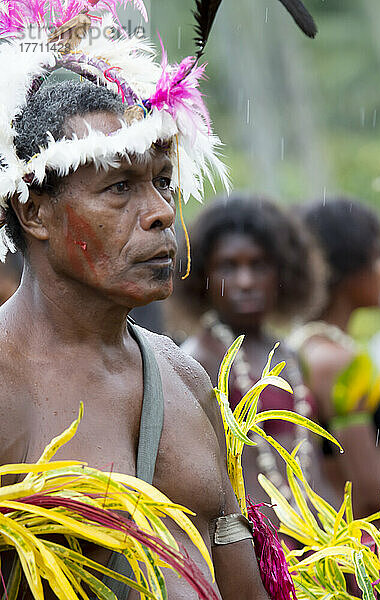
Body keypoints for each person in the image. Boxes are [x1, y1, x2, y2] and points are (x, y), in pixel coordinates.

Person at [0, 4, 269, 599]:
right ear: (34, 212)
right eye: (119, 187)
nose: (161, 213)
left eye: (162, 182)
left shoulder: (185, 377)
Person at [172, 194, 331, 511]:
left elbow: (315, 468)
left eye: (258, 266)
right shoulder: (194, 361)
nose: (245, 282)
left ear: (283, 273)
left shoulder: (291, 357)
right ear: (204, 277)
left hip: (315, 538)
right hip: (255, 545)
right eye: (228, 267)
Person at [290, 197, 380, 517]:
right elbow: (367, 489)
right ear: (348, 270)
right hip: (371, 548)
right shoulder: (341, 362)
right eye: (378, 257)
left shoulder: (305, 346)